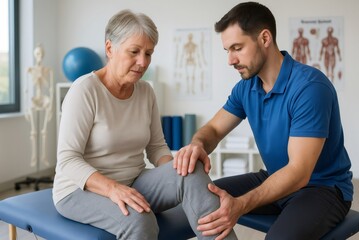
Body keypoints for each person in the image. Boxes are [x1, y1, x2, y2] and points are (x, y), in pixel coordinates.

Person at [52, 9, 237, 240]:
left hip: (134, 181)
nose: (143, 62)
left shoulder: (145, 91)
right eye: (134, 52)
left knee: (191, 171)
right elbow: (68, 160)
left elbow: (157, 147)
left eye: (148, 53)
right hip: (79, 190)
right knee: (140, 220)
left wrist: (176, 172)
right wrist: (113, 189)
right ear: (110, 49)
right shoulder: (84, 90)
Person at [174, 2, 353, 240]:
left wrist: (241, 204)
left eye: (237, 48)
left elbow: (299, 172)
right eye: (227, 50)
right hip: (275, 177)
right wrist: (197, 144)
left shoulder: (310, 87)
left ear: (265, 38)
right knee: (202, 197)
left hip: (322, 188)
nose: (230, 60)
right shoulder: (246, 87)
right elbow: (214, 129)